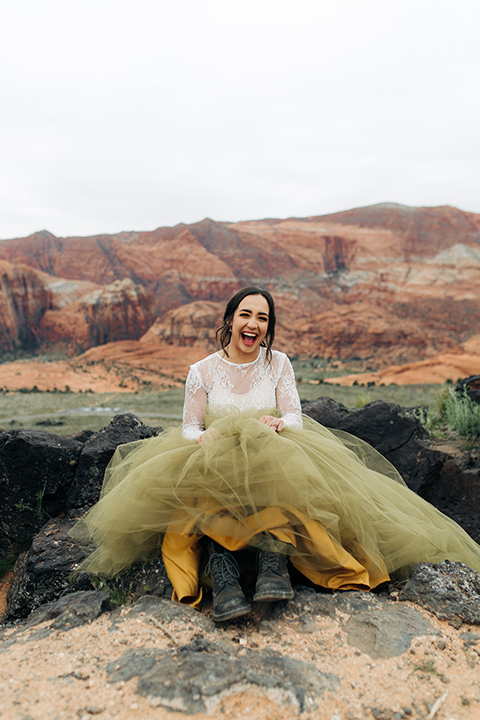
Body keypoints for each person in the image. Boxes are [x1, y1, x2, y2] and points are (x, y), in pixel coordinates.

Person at [71, 286, 480, 622]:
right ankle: (223, 569)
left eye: (263, 318)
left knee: (290, 491)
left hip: (274, 455)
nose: (253, 324)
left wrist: (280, 425)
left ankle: (272, 560)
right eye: (246, 315)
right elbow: (189, 427)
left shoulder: (278, 363)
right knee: (198, 501)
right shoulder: (202, 371)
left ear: (268, 327)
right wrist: (205, 435)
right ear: (230, 319)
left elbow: (295, 417)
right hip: (214, 459)